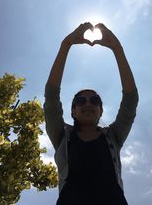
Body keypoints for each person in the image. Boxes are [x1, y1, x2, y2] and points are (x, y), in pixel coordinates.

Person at [44, 22, 139, 205]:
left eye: (94, 100)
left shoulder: (114, 136)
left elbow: (130, 100)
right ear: (73, 110)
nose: (88, 104)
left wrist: (117, 49)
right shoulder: (61, 136)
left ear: (101, 110)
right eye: (81, 101)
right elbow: (51, 98)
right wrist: (66, 45)